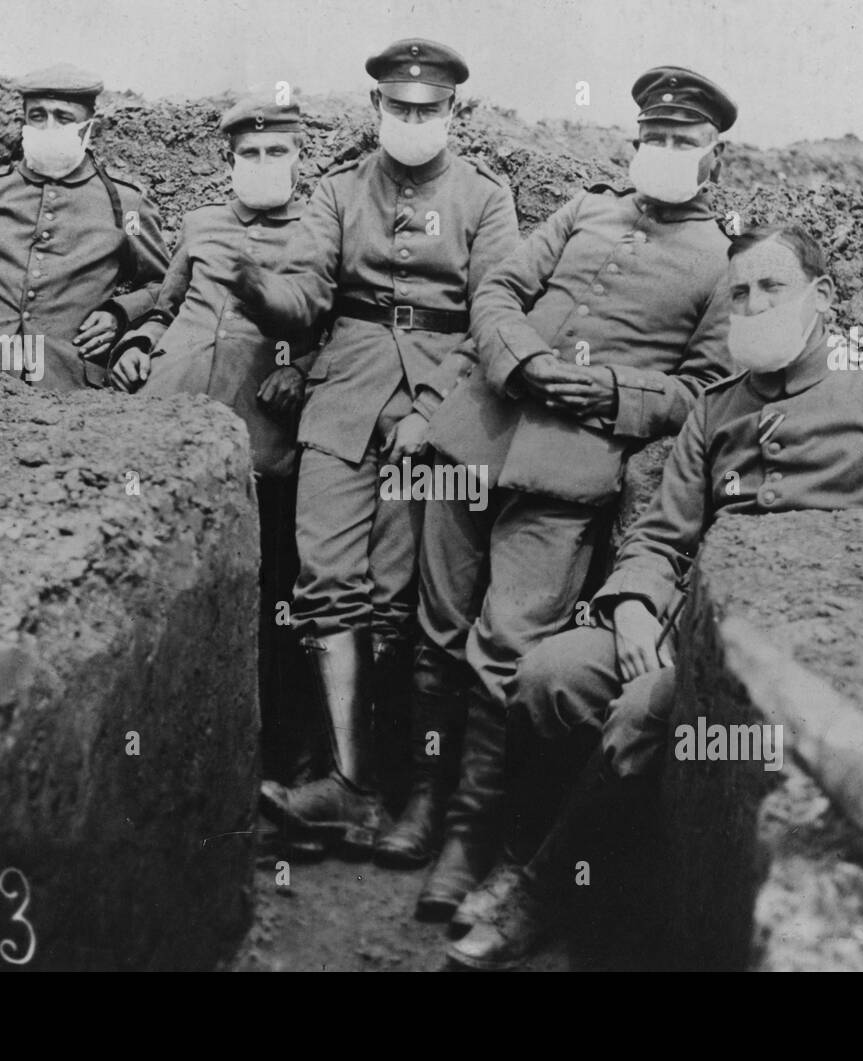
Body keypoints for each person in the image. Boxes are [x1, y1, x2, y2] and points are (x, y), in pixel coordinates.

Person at [447, 221, 863, 970]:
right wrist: (636, 605)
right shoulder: (714, 410)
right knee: (551, 676)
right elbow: (658, 534)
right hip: (691, 622)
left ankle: (543, 892)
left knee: (647, 710)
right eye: (739, 293)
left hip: (800, 651)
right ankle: (534, 854)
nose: (753, 304)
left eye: (772, 287)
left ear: (822, 297)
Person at [394, 68, 737, 924]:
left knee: (506, 643)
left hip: (571, 468)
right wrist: (522, 360)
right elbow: (498, 288)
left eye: (681, 143)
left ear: (714, 159)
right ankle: (425, 799)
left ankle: (474, 834)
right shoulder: (584, 210)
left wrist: (607, 391)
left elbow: (703, 392)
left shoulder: (723, 264)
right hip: (476, 430)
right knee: (435, 625)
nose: (661, 153)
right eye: (651, 138)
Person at [238, 40, 520, 853]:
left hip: (441, 399)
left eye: (428, 110)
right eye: (399, 109)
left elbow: (493, 316)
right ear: (376, 111)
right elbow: (311, 291)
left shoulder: (485, 199)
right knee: (326, 576)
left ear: (452, 114)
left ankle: (396, 785)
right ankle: (345, 784)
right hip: (346, 392)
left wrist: (431, 410)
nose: (413, 122)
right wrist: (263, 296)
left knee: (398, 597)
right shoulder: (335, 191)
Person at [109, 96, 321, 786]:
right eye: (249, 155)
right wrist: (139, 345)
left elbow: (343, 324)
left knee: (271, 596)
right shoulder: (201, 224)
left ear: (298, 160)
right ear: (229, 162)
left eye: (275, 153)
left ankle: (277, 752)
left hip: (261, 434)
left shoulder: (320, 232)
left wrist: (303, 368)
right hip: (174, 416)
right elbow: (165, 306)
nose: (262, 166)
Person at [0, 63, 168, 391]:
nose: (48, 126)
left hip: (61, 380)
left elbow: (163, 287)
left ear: (88, 126)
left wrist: (119, 312)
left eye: (63, 117)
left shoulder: (125, 204)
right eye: (37, 115)